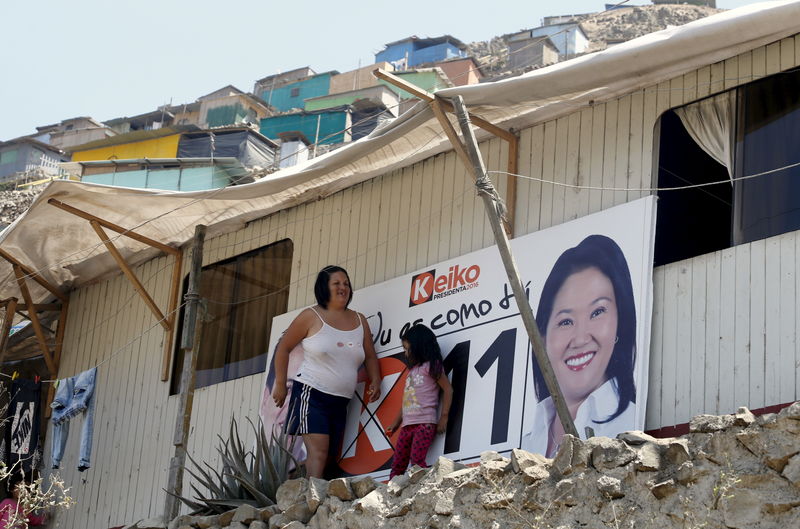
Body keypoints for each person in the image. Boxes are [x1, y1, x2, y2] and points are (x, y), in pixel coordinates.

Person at [522, 235, 637, 457]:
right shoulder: (529, 438)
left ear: (619, 323)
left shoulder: (629, 426)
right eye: (565, 321)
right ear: (543, 337)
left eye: (597, 312)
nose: (581, 338)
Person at [271, 265, 382, 479]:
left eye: (346, 284)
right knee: (319, 452)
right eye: (337, 283)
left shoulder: (360, 320)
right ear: (324, 287)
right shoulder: (311, 316)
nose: (343, 288)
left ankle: (302, 491)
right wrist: (280, 384)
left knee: (328, 456)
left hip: (341, 401)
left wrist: (376, 379)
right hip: (311, 394)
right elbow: (283, 347)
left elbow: (369, 355)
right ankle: (314, 502)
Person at [386, 324, 453, 479]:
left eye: (406, 348)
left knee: (416, 461)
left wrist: (444, 416)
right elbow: (407, 401)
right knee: (397, 464)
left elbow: (448, 389)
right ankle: (392, 492)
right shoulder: (412, 371)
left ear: (418, 346)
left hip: (424, 423)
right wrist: (395, 423)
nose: (405, 353)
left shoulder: (432, 366)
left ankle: (424, 487)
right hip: (407, 426)